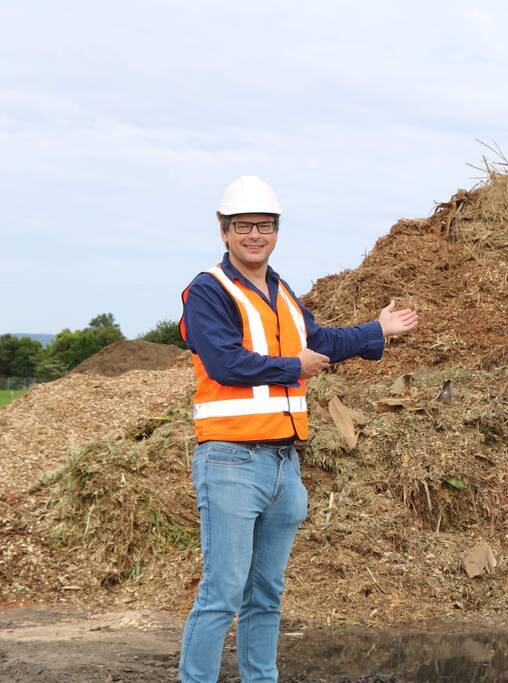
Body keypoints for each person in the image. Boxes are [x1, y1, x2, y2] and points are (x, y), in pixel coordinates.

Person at [177, 175, 418, 682]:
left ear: (276, 230)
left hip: (285, 465)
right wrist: (294, 368)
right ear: (223, 231)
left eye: (263, 226)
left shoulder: (281, 291)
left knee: (265, 595)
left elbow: (320, 339)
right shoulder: (208, 291)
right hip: (230, 462)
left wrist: (378, 331)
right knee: (221, 595)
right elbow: (224, 362)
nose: (254, 235)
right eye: (243, 226)